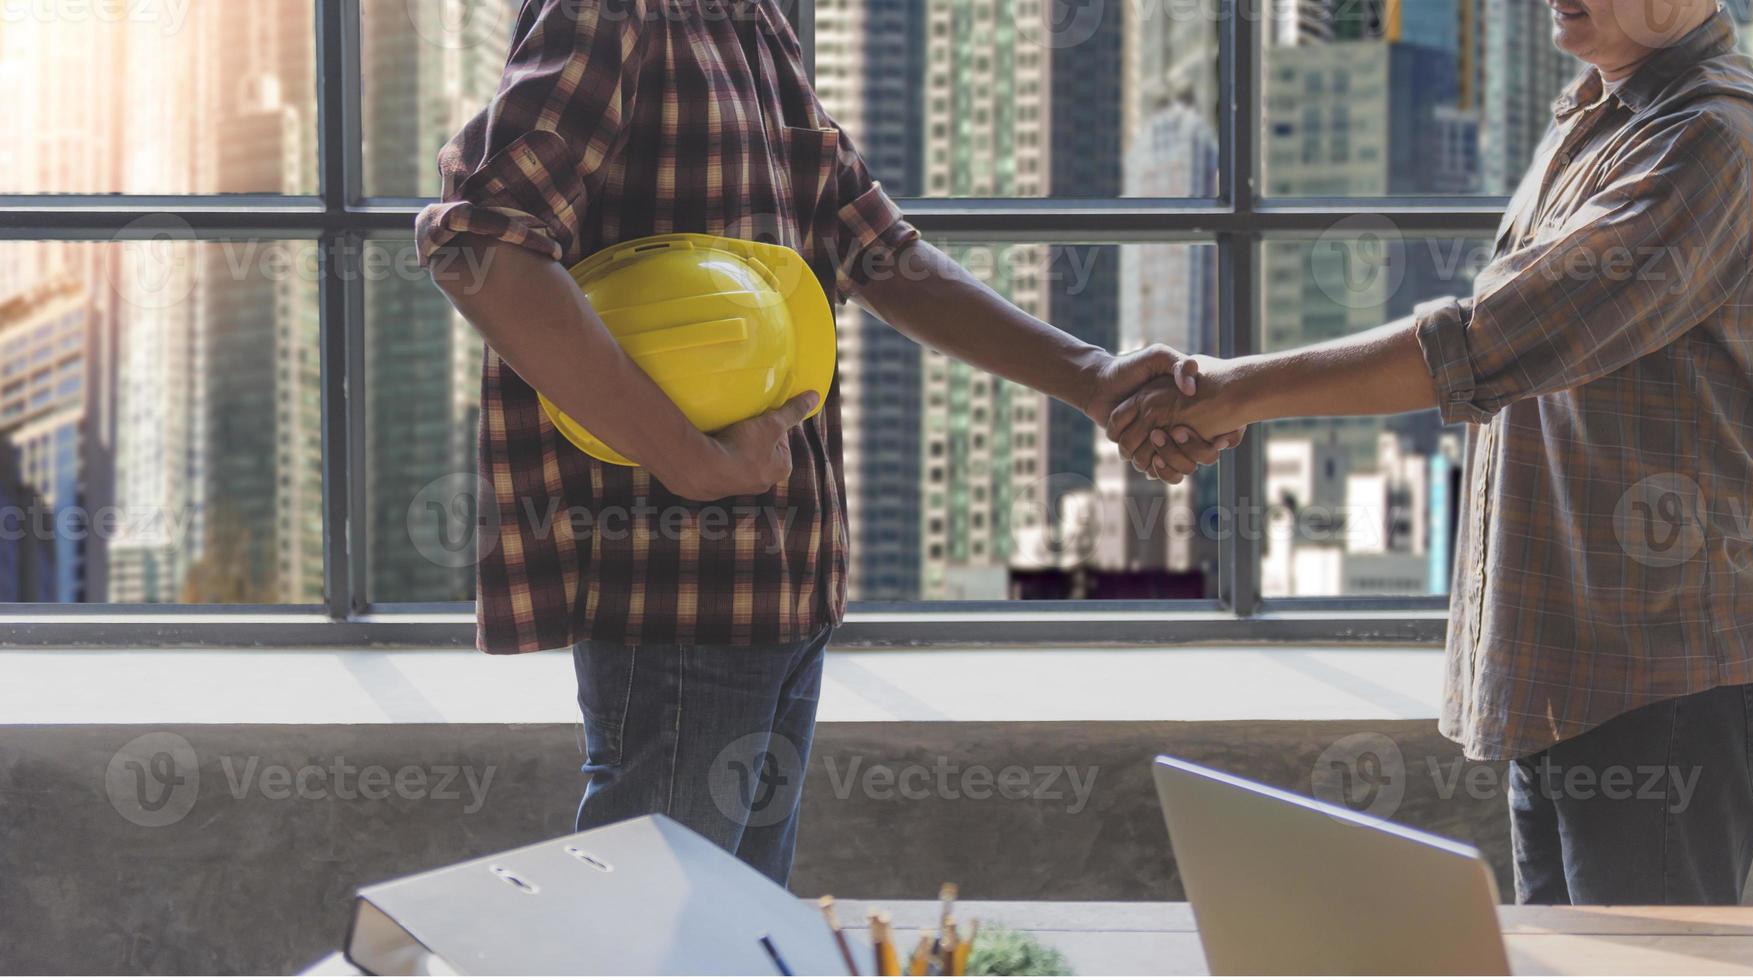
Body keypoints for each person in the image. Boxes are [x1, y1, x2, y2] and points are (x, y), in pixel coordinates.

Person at [416, 0, 1230, 885]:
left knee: (722, 936)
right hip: (677, 585)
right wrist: (690, 460)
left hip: (782, 580)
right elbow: (480, 244)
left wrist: (1092, 377)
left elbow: (872, 245)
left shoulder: (754, 22)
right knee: (645, 932)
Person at [1112, 0, 1753, 905]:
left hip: (1663, 672)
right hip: (1571, 668)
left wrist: (1229, 392)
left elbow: (1488, 342)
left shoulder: (1711, 139)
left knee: (1643, 969)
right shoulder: (1598, 117)